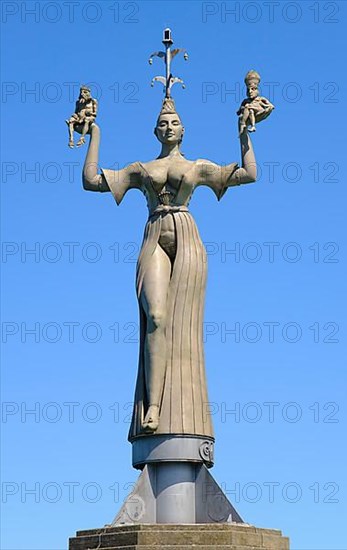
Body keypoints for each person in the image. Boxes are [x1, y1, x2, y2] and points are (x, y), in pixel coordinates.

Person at [81, 97, 257, 442]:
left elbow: (249, 174)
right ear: (154, 130)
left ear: (184, 130)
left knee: (185, 324)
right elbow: (91, 181)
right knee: (156, 317)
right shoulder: (140, 168)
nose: (168, 127)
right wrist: (94, 133)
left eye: (174, 123)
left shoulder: (198, 167)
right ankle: (153, 406)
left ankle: (178, 406)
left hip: (187, 236)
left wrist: (245, 132)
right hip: (153, 236)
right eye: (163, 123)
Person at [237, 70, 274, 135]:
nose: (250, 92)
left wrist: (267, 107)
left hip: (259, 111)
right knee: (250, 110)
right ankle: (251, 126)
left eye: (253, 89)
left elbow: (271, 106)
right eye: (248, 90)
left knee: (248, 106)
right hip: (251, 112)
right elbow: (239, 109)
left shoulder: (260, 99)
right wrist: (240, 110)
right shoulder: (246, 101)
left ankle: (244, 124)